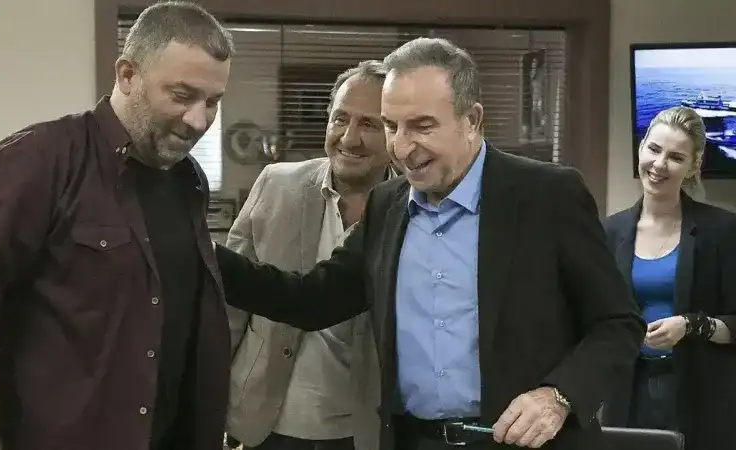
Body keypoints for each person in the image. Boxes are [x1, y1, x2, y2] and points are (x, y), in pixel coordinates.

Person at [213, 37, 645, 450]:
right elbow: (314, 299)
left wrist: (558, 395)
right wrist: (202, 254)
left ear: (472, 120)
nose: (402, 147)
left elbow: (618, 324)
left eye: (422, 126)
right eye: (391, 126)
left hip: (526, 444)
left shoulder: (549, 195)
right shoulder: (387, 204)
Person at [0, 2, 234, 450]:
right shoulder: (40, 160)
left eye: (212, 102)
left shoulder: (187, 179)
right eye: (181, 95)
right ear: (127, 75)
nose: (199, 120)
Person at [225, 60, 393, 450]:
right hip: (264, 424)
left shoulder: (410, 210)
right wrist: (215, 404)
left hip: (362, 433)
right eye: (340, 119)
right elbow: (228, 309)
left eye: (369, 124)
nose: (349, 138)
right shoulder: (276, 183)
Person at [600, 107, 736, 450]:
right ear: (641, 147)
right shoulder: (609, 231)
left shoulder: (722, 230)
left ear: (693, 166)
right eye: (654, 149)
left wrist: (690, 325)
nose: (659, 164)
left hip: (701, 400)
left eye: (675, 157)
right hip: (627, 397)